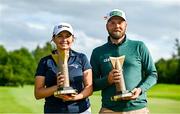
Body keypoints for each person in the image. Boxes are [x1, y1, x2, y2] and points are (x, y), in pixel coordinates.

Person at [90, 9, 158, 113]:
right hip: (109, 110)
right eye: (112, 22)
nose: (116, 26)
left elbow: (152, 75)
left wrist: (140, 90)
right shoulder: (98, 52)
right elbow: (91, 85)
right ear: (106, 26)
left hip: (138, 109)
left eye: (120, 22)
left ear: (126, 25)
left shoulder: (139, 46)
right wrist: (107, 80)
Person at [34, 22, 92, 114]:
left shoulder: (81, 58)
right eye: (60, 36)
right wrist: (57, 87)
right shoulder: (45, 61)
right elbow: (38, 93)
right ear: (53, 39)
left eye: (67, 36)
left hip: (81, 110)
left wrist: (74, 97)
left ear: (72, 39)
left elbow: (89, 87)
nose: (64, 39)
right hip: (54, 111)